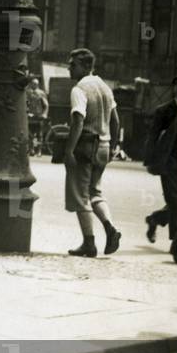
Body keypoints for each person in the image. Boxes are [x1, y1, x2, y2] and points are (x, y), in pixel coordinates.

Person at [63, 48, 121, 257]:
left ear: (87, 66)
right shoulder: (105, 87)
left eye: (74, 64)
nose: (70, 67)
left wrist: (69, 150)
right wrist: (113, 146)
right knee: (95, 192)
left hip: (86, 146)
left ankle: (89, 243)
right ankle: (110, 228)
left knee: (80, 196)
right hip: (103, 146)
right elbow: (115, 121)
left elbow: (78, 120)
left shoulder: (79, 89)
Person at [144, 76, 177, 264]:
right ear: (174, 88)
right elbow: (153, 136)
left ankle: (155, 220)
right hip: (169, 164)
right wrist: (150, 161)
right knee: (176, 201)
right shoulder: (164, 111)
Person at [26, 77, 49, 155]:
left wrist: (44, 114)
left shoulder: (41, 93)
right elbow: (25, 104)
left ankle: (39, 151)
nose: (34, 85)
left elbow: (46, 105)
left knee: (39, 134)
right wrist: (27, 112)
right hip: (30, 116)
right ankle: (31, 149)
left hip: (39, 116)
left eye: (36, 84)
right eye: (33, 83)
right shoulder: (27, 93)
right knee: (30, 134)